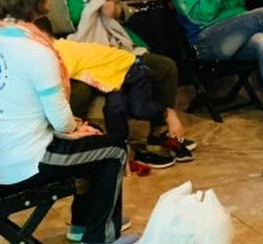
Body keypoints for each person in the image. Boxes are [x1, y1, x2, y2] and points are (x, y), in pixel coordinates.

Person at [0, 0, 137, 244]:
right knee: (114, 150)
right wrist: (75, 128)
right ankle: (99, 239)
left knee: (93, 137)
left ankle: (83, 223)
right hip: (29, 161)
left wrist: (76, 129)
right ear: (39, 1)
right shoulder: (37, 52)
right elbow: (61, 121)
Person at [55, 38, 197, 169]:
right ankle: (122, 152)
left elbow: (62, 84)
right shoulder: (57, 53)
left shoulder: (61, 52)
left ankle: (167, 115)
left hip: (132, 70)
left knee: (138, 107)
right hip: (113, 81)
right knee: (113, 110)